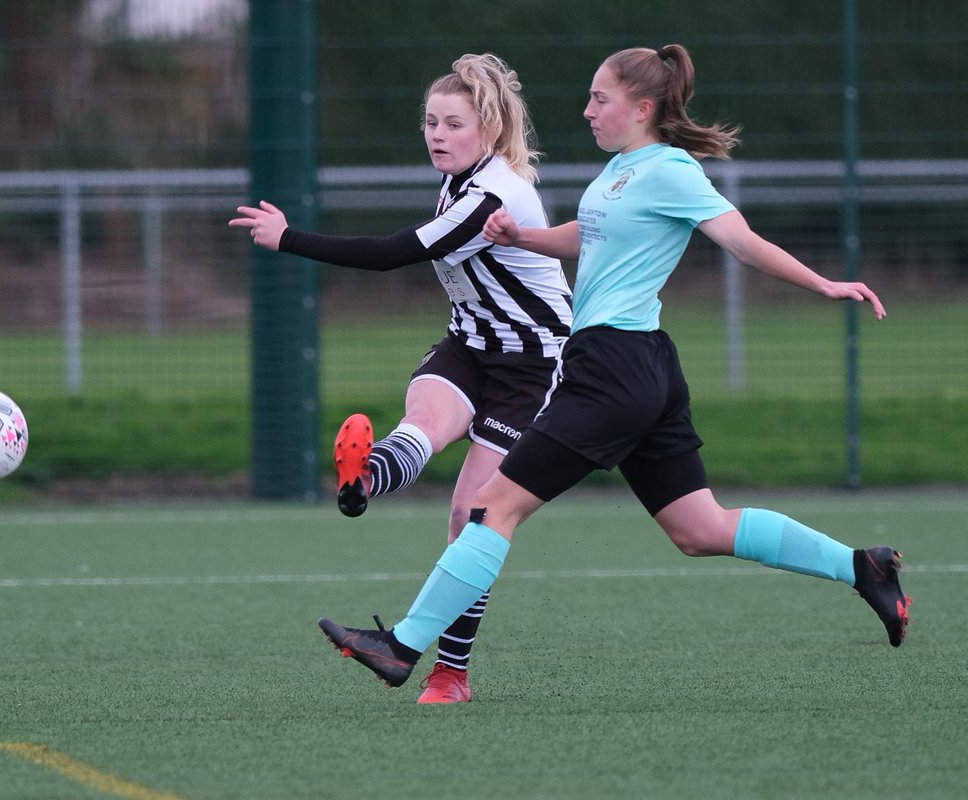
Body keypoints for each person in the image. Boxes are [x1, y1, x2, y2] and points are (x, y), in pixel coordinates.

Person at [317, 43, 911, 691]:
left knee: (491, 510)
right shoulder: (623, 170)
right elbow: (589, 235)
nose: (587, 110)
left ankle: (403, 647)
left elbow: (741, 240)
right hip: (644, 365)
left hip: (612, 369)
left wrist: (824, 285)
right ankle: (864, 567)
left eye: (600, 99)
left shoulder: (671, 170)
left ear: (643, 107)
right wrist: (524, 239)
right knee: (699, 528)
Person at [230, 53, 573, 703]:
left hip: (532, 368)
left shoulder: (494, 195)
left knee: (470, 517)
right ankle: (362, 478)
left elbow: (391, 255)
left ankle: (451, 674)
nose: (437, 135)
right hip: (470, 346)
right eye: (429, 122)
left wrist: (289, 239)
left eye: (453, 124)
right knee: (421, 425)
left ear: (490, 130)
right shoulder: (457, 181)